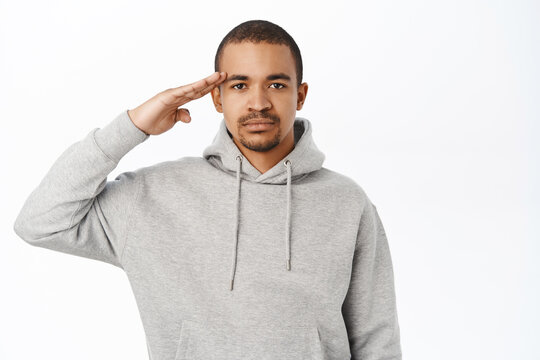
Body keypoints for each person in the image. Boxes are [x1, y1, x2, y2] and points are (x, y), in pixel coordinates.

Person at [13, 19, 402, 360]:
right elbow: (40, 222)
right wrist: (133, 126)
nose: (258, 103)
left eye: (276, 84)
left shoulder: (347, 202)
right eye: (239, 85)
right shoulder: (152, 196)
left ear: (299, 94)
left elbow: (375, 340)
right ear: (217, 97)